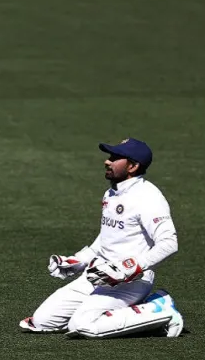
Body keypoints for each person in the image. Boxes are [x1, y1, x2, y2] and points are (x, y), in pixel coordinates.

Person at [19, 138, 184, 339]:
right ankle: (129, 310)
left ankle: (159, 307)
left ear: (132, 166)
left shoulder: (148, 197)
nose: (107, 161)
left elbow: (169, 243)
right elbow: (108, 238)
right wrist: (79, 260)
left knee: (81, 325)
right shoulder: (112, 193)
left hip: (131, 283)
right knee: (42, 321)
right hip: (97, 276)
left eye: (115, 158)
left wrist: (128, 268)